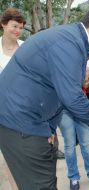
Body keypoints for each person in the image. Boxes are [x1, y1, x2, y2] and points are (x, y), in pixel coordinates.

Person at [0, 5, 89, 189]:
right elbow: (71, 97)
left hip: (31, 119)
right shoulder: (68, 44)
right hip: (20, 122)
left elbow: (57, 94)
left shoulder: (72, 41)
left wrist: (49, 128)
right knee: (41, 184)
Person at [0, 7, 25, 190]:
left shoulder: (26, 48)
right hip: (2, 112)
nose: (17, 30)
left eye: (21, 27)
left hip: (24, 111)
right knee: (7, 158)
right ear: (3, 25)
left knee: (25, 158)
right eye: (14, 26)